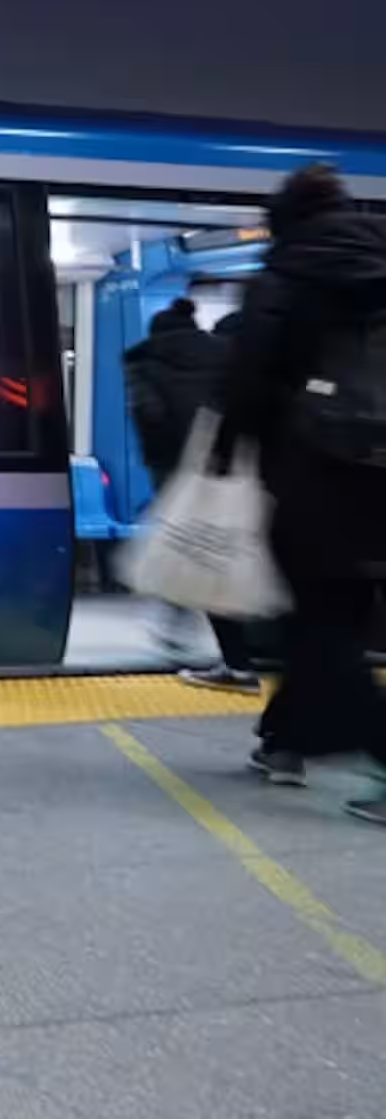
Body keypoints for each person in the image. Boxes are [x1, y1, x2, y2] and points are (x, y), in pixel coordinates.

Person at [214, 162, 386, 820]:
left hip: (322, 471)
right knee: (333, 621)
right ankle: (283, 741)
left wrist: (227, 460)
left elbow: (250, 383)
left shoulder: (287, 276)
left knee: (315, 621)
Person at [122, 294, 261, 693]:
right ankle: (244, 647)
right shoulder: (223, 352)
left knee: (190, 546)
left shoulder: (142, 360)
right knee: (221, 547)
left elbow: (151, 415)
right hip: (230, 460)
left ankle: (230, 657)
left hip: (178, 466)